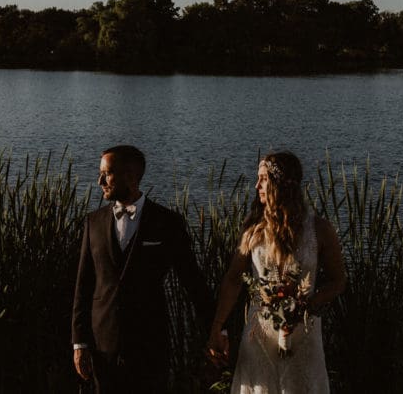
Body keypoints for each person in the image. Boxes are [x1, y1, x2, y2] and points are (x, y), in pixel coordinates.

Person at [72, 145, 213, 393]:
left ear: (130, 176)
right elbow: (83, 286)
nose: (99, 181)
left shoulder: (167, 223)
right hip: (103, 343)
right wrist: (79, 343)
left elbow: (193, 281)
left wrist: (216, 330)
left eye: (107, 174)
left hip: (150, 342)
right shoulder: (93, 223)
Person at [207, 151, 347, 393]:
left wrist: (307, 303)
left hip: (304, 331)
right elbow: (233, 280)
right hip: (259, 331)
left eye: (263, 179)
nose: (256, 185)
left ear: (281, 183)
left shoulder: (319, 229)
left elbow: (338, 280)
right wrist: (217, 327)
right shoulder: (253, 227)